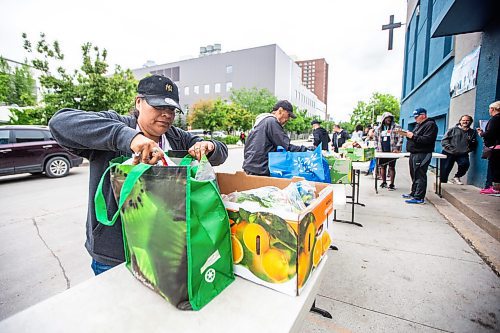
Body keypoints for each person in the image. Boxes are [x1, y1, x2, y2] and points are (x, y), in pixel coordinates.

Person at [48, 74, 228, 275]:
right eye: (158, 106)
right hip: (115, 254)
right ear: (139, 102)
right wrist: (128, 138)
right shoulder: (116, 125)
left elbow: (221, 152)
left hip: (165, 250)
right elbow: (59, 122)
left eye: (171, 109)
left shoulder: (176, 137)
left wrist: (209, 147)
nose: (166, 114)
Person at [243, 100, 309, 176]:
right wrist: (305, 149)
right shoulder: (272, 121)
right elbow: (285, 145)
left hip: (250, 167)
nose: (288, 119)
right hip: (260, 170)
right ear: (280, 111)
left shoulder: (261, 122)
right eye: (288, 115)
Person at [399, 108, 438, 204]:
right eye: (415, 117)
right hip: (414, 153)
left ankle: (419, 197)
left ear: (423, 115)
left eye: (417, 116)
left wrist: (412, 136)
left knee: (420, 174)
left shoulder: (430, 125)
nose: (415, 119)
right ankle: (414, 193)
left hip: (422, 153)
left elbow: (427, 140)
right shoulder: (419, 125)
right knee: (414, 174)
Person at [440, 115, 477, 185]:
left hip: (462, 153)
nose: (465, 122)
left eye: (467, 120)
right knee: (445, 169)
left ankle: (457, 177)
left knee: (465, 164)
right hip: (448, 152)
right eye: (463, 120)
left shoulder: (472, 132)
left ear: (470, 122)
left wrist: (469, 149)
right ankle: (442, 184)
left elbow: (473, 143)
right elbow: (444, 140)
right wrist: (451, 149)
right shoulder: (453, 129)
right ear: (460, 121)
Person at [374, 112, 403, 190]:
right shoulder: (379, 128)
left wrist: (397, 148)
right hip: (382, 151)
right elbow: (375, 139)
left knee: (391, 167)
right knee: (382, 166)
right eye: (387, 118)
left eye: (390, 118)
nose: (389, 119)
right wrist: (377, 149)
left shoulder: (396, 126)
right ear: (383, 119)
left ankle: (392, 184)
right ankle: (384, 182)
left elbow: (401, 138)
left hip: (392, 151)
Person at [477, 101, 500, 194]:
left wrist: (481, 133)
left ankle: (496, 189)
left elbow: (490, 133)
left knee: (495, 168)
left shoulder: (495, 119)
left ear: (493, 109)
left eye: (490, 109)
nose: (489, 111)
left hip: (496, 148)